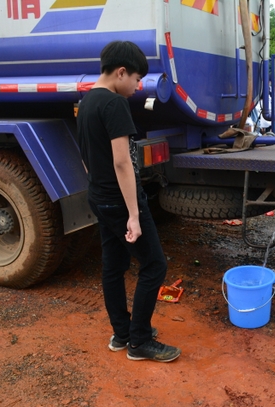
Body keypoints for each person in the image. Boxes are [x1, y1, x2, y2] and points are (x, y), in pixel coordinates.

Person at [77, 41, 181, 363]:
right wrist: (134, 214)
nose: (137, 87)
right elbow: (122, 162)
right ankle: (139, 342)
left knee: (114, 265)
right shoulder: (114, 104)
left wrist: (101, 191)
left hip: (99, 196)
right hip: (120, 201)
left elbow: (86, 158)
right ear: (121, 72)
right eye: (136, 79)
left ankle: (122, 333)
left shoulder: (86, 101)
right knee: (154, 265)